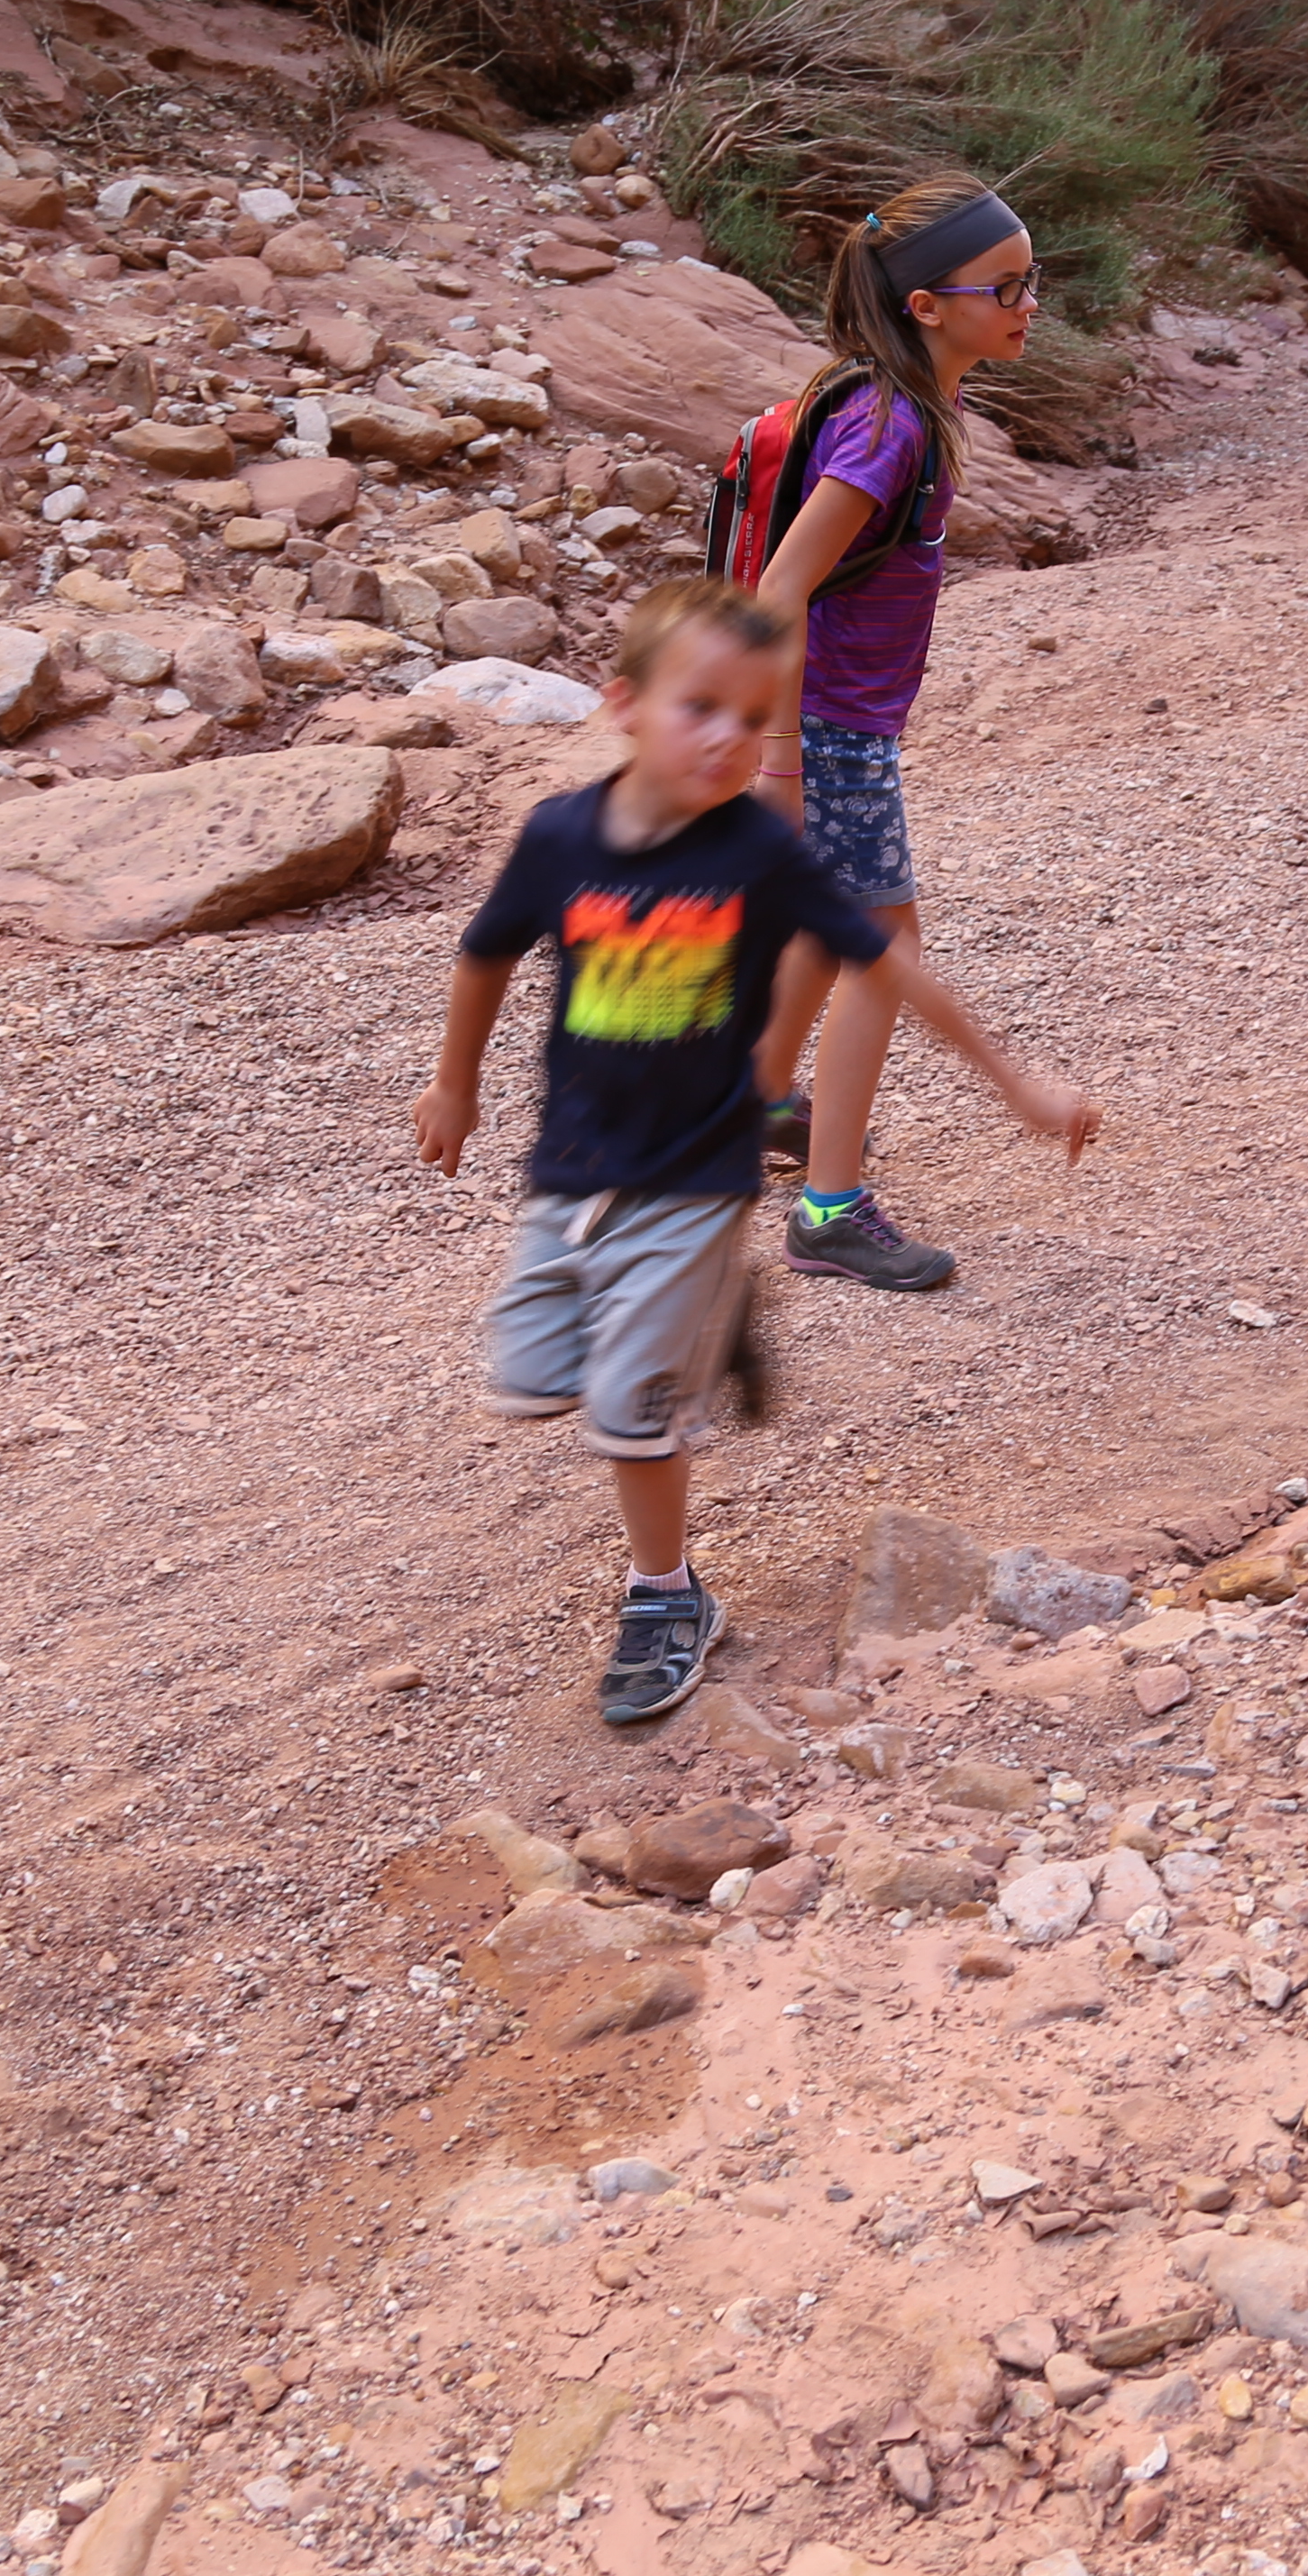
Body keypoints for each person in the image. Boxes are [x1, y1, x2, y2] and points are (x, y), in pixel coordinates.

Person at [416, 576, 1101, 1723]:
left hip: (697, 1174)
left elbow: (889, 965)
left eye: (758, 718)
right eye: (704, 708)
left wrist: (1015, 1081)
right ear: (623, 704)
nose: (733, 739)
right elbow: (485, 955)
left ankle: (665, 1595)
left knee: (628, 1412)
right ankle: (709, 1319)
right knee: (529, 1386)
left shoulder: (760, 856)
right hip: (577, 1167)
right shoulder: (561, 837)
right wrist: (455, 1083)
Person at [743, 173, 1038, 1292]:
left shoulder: (915, 405)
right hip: (826, 731)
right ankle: (829, 1210)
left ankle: (762, 1104)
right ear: (926, 304)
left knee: (835, 929)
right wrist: (782, 767)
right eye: (1005, 287)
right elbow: (779, 593)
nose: (1027, 304)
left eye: (1031, 282)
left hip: (836, 725)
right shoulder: (889, 424)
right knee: (886, 948)